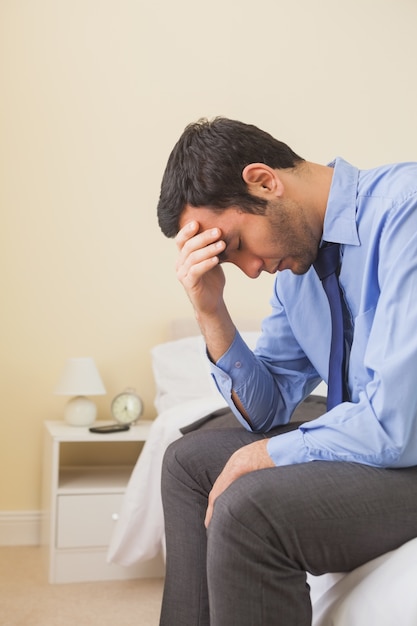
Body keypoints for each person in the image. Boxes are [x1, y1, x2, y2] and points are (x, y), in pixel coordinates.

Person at [156, 117, 417, 625]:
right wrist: (212, 311)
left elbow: (398, 422)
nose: (251, 269)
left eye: (235, 246)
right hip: (376, 438)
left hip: (410, 445)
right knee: (187, 462)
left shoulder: (406, 212)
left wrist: (270, 454)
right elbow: (269, 407)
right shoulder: (298, 269)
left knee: (249, 509)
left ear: (264, 180)